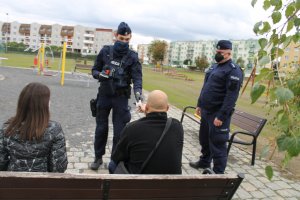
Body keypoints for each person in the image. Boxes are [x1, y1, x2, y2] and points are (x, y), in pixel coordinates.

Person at [91, 22, 143, 170]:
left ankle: (115, 160)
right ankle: (98, 157)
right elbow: (94, 70)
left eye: (127, 39)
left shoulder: (133, 57)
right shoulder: (105, 51)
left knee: (119, 132)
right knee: (101, 129)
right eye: (121, 38)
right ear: (116, 36)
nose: (124, 42)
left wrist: (138, 96)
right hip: (104, 96)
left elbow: (137, 79)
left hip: (121, 98)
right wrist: (100, 75)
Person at [189, 40, 243, 174]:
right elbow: (205, 88)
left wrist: (222, 116)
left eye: (221, 52)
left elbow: (231, 97)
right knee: (204, 139)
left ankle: (218, 172)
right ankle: (204, 161)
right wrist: (199, 104)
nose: (217, 54)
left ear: (229, 53)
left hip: (218, 114)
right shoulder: (214, 67)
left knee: (218, 143)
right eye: (217, 51)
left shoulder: (233, 70)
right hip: (206, 111)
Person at [109, 90, 184, 174]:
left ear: (147, 108)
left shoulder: (132, 128)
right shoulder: (177, 126)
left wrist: (148, 111)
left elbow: (117, 157)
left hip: (139, 184)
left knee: (112, 164)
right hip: (171, 185)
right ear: (167, 108)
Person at [0, 82, 68, 172]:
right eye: (48, 100)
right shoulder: (55, 129)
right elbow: (59, 168)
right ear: (43, 105)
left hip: (13, 183)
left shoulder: (7, 128)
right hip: (42, 183)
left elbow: (1, 163)